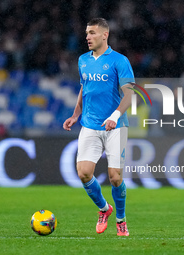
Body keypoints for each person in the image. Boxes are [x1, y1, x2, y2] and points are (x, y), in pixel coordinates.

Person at [63, 18, 134, 236]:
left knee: (115, 177)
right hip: (90, 125)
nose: (87, 37)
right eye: (86, 33)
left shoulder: (119, 61)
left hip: (116, 126)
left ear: (105, 35)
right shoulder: (83, 60)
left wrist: (114, 116)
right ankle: (104, 209)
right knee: (84, 173)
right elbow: (85, 89)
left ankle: (121, 220)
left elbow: (130, 94)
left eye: (92, 33)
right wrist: (76, 114)